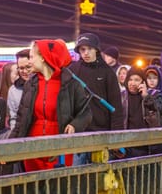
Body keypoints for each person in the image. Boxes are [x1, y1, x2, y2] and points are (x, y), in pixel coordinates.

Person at [9, 39, 92, 171]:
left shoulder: (70, 83)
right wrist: (8, 148)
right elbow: (21, 119)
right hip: (32, 148)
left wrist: (75, 125)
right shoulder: (30, 84)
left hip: (60, 148)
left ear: (43, 58)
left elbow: (86, 113)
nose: (29, 61)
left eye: (31, 57)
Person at [69, 33, 124, 165]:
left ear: (97, 50)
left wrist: (116, 136)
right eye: (82, 49)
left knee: (101, 179)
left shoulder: (107, 72)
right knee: (78, 178)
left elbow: (116, 107)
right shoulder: (73, 70)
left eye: (89, 49)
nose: (86, 53)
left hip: (102, 135)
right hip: (78, 134)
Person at [7, 49, 32, 130]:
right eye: (21, 68)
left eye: (28, 67)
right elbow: (14, 118)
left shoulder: (45, 84)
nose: (24, 71)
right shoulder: (13, 90)